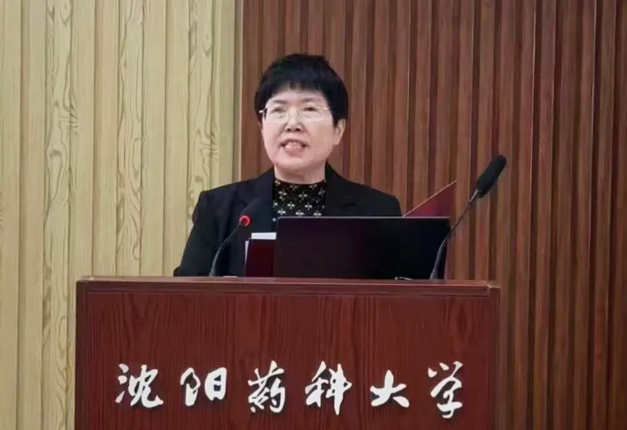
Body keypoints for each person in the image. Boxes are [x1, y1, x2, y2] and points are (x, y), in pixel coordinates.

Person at [174, 53, 402, 276]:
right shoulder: (218, 210)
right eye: (279, 110)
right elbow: (186, 294)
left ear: (338, 130)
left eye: (309, 109)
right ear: (262, 126)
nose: (293, 123)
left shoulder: (378, 212)